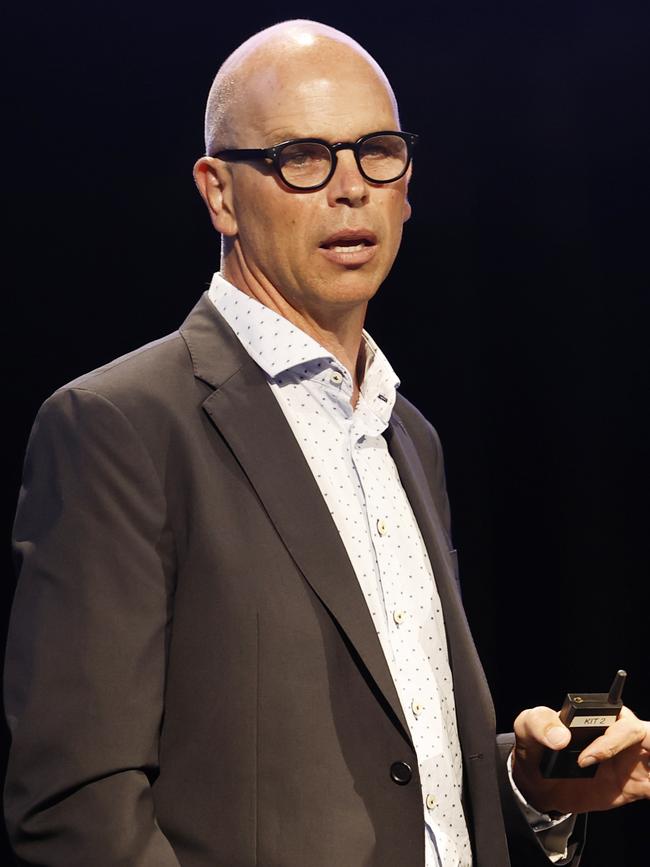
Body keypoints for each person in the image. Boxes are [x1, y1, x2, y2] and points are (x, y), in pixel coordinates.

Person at [4, 19, 649, 867]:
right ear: (219, 192)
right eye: (301, 157)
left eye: (376, 151)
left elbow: (394, 773)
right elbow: (77, 804)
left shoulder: (407, 434)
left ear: (407, 185)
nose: (351, 188)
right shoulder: (120, 425)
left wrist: (532, 781)